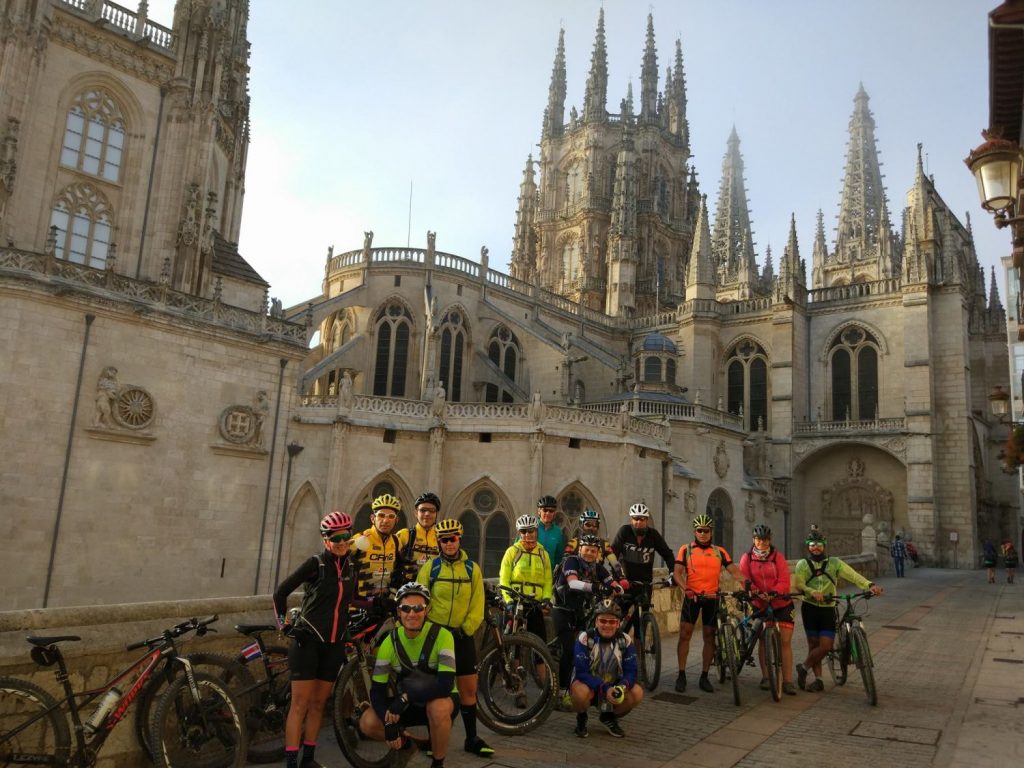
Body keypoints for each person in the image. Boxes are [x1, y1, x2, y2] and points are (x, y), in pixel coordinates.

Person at [273, 511, 356, 768]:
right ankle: (291, 763)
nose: (342, 542)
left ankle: (308, 759)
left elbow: (351, 601)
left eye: (346, 536)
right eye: (335, 537)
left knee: (319, 704)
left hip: (334, 644)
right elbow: (280, 592)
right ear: (325, 540)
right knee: (300, 704)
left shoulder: (353, 565)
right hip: (307, 642)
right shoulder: (316, 563)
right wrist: (284, 626)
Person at [415, 518, 493, 757]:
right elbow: (419, 600)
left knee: (469, 690)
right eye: (444, 540)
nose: (449, 544)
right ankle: (433, 739)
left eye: (453, 539)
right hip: (436, 637)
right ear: (439, 542)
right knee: (435, 691)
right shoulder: (431, 568)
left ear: (459, 540)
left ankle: (471, 738)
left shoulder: (472, 569)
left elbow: (477, 604)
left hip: (461, 636)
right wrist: (429, 629)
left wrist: (466, 629)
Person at [360, 582, 458, 768]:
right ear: (399, 612)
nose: (411, 614)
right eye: (406, 608)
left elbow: (445, 684)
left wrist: (406, 697)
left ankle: (438, 763)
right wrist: (388, 725)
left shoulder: (443, 636)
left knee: (437, 708)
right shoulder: (390, 642)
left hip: (440, 699)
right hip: (407, 704)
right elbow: (377, 692)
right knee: (368, 722)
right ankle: (407, 744)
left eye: (418, 608)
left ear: (427, 610)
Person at [794, 530, 882, 692]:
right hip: (810, 608)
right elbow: (799, 584)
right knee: (813, 644)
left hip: (828, 608)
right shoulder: (802, 564)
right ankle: (819, 680)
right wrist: (812, 592)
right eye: (812, 545)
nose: (815, 548)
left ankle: (804, 667)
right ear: (808, 547)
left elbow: (853, 575)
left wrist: (869, 585)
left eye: (819, 545)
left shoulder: (834, 563)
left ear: (824, 546)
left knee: (825, 646)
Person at [672, 514, 743, 693]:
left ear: (711, 532)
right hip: (692, 597)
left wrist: (748, 585)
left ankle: (704, 676)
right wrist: (685, 588)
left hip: (712, 597)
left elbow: (734, 571)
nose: (703, 534)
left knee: (709, 636)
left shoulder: (719, 551)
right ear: (695, 532)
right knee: (685, 634)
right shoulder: (686, 549)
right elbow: (677, 573)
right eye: (699, 530)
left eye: (706, 531)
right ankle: (681, 674)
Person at [553, 533, 621, 708]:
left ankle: (589, 688)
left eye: (593, 550)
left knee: (585, 650)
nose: (590, 553)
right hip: (563, 610)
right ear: (580, 549)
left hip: (581, 612)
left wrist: (619, 587)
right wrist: (595, 587)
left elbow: (611, 581)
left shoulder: (596, 567)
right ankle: (561, 692)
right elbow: (573, 583)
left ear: (597, 552)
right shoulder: (571, 561)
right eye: (586, 550)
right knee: (568, 650)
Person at [569, 598, 643, 739]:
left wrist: (621, 688)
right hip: (590, 687)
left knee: (637, 693)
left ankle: (607, 716)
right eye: (603, 621)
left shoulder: (625, 641)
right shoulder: (585, 639)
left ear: (618, 624)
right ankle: (581, 716)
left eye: (612, 622)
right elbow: (582, 673)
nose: (607, 625)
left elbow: (631, 672)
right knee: (580, 692)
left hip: (614, 687)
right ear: (596, 622)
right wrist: (604, 688)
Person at [739, 524, 798, 695]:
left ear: (769, 540)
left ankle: (787, 681)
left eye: (765, 540)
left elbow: (784, 580)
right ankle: (766, 677)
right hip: (760, 604)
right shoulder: (747, 558)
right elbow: (744, 579)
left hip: (781, 603)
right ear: (753, 540)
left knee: (785, 643)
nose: (761, 543)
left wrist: (774, 593)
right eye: (758, 539)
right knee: (764, 641)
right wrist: (755, 592)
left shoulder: (777, 557)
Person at [499, 514, 553, 694]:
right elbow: (504, 580)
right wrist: (508, 601)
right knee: (515, 646)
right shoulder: (512, 552)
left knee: (541, 647)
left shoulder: (543, 554)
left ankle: (547, 690)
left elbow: (547, 580)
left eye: (531, 531)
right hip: (516, 603)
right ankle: (518, 689)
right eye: (524, 532)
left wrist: (546, 598)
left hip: (535, 604)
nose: (528, 535)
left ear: (536, 532)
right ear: (519, 533)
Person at [611, 502, 676, 637]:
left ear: (647, 521)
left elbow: (668, 554)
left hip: (645, 585)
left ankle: (640, 655)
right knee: (617, 617)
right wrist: (618, 577)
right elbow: (613, 555)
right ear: (631, 520)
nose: (638, 522)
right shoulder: (624, 532)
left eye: (642, 519)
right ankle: (614, 641)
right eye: (635, 519)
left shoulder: (653, 535)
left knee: (641, 626)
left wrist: (672, 573)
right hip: (626, 583)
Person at [352, 494, 408, 600]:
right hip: (361, 602)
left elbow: (399, 569)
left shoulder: (397, 542)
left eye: (391, 516)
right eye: (381, 515)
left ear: (396, 520)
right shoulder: (360, 539)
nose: (386, 521)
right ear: (373, 518)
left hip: (386, 601)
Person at [565, 509, 626, 581]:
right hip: (577, 579)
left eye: (595, 525)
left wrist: (622, 577)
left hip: (597, 580)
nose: (591, 527)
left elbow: (614, 562)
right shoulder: (573, 542)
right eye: (588, 524)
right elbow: (565, 561)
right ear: (582, 525)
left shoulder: (604, 544)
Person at [396, 491, 442, 582]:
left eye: (432, 510)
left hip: (433, 588)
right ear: (416, 513)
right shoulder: (404, 535)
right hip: (409, 588)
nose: (427, 514)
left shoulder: (441, 537)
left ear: (437, 514)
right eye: (423, 510)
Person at [536, 495, 566, 567]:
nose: (548, 513)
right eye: (545, 510)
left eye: (551, 511)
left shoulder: (557, 532)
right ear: (539, 511)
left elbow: (559, 556)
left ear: (554, 513)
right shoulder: (530, 527)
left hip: (549, 574)